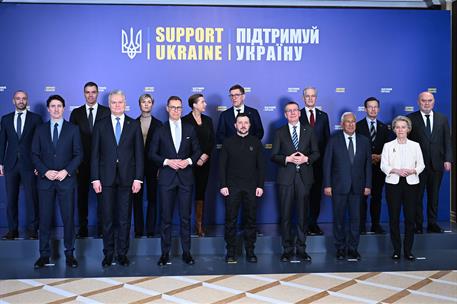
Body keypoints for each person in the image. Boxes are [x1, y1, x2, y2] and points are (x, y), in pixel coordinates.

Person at [91, 90, 144, 267]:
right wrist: (95, 178)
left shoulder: (133, 124)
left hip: (127, 180)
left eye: (120, 102)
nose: (117, 105)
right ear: (109, 104)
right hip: (105, 179)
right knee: (107, 218)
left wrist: (138, 179)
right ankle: (108, 253)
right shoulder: (100, 125)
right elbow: (95, 155)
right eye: (113, 102)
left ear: (125, 103)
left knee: (124, 219)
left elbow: (139, 154)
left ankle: (122, 254)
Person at [31, 95, 82, 268]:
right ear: (48, 109)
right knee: (44, 219)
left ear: (64, 108)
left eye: (59, 106)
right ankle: (44, 255)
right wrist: (45, 172)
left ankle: (69, 254)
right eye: (53, 106)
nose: (56, 109)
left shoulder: (73, 129)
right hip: (45, 181)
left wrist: (65, 171)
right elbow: (34, 154)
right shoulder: (40, 129)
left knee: (68, 219)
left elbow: (79, 154)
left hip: (65, 181)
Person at [150, 96, 201, 266]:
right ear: (167, 108)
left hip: (185, 178)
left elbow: (197, 151)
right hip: (166, 178)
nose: (176, 110)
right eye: (173, 107)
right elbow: (152, 153)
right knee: (165, 218)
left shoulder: (190, 128)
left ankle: (187, 253)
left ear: (182, 109)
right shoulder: (159, 129)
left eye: (179, 107)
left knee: (185, 217)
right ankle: (165, 253)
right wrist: (167, 161)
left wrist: (188, 161)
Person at [271, 102, 320, 262]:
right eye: (288, 111)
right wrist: (287, 159)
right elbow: (273, 155)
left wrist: (307, 159)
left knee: (302, 215)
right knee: (285, 215)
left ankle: (301, 249)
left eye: (295, 110)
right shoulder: (279, 132)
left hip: (304, 178)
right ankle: (286, 249)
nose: (292, 113)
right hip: (286, 178)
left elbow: (316, 153)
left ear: (300, 113)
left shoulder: (310, 130)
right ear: (285, 115)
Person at [323, 112, 371, 261]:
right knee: (339, 219)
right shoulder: (334, 140)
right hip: (338, 187)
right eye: (347, 122)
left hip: (358, 187)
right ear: (342, 124)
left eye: (353, 122)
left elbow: (368, 166)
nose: (350, 124)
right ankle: (340, 248)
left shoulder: (364, 141)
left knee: (356, 219)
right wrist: (327, 185)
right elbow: (327, 164)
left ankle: (353, 248)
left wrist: (368, 184)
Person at [219, 113, 265, 263]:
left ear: (250, 125)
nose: (243, 125)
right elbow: (222, 167)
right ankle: (230, 252)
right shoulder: (227, 142)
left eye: (246, 122)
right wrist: (223, 185)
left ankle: (250, 251)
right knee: (230, 220)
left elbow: (261, 167)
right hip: (232, 188)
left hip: (252, 188)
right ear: (235, 125)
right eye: (240, 122)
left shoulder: (256, 142)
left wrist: (260, 185)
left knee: (251, 221)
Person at [407, 91, 452, 234]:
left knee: (434, 196)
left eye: (429, 100)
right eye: (423, 100)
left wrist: (448, 159)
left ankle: (432, 223)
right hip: (417, 166)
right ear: (418, 102)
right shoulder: (411, 119)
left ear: (434, 102)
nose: (427, 103)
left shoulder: (442, 119)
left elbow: (447, 141)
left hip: (437, 163)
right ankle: (418, 225)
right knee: (417, 196)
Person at [69, 81, 110, 238]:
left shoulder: (107, 112)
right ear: (84, 93)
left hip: (103, 163)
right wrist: (74, 164)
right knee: (82, 197)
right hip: (82, 163)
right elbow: (71, 139)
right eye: (88, 92)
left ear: (98, 93)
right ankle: (83, 228)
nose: (91, 95)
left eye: (93, 92)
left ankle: (102, 228)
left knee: (104, 198)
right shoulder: (76, 113)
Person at [381, 116, 425, 260]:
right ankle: (396, 250)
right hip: (393, 184)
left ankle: (408, 251)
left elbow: (421, 165)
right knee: (394, 218)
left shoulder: (415, 145)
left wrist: (413, 171)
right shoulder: (388, 145)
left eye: (403, 127)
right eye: (398, 127)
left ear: (408, 129)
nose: (401, 130)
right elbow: (383, 165)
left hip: (411, 184)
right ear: (394, 129)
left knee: (410, 219)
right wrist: (396, 170)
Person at [0, 90, 42, 240]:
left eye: (24, 98)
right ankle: (12, 230)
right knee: (11, 199)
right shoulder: (5, 119)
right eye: (18, 98)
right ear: (13, 101)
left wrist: (39, 164)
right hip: (10, 164)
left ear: (27, 101)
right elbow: (2, 142)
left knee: (32, 198)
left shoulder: (36, 119)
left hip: (29, 164)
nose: (21, 101)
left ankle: (32, 230)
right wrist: (0, 163)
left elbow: (39, 143)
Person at [356, 97, 391, 234]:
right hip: (362, 169)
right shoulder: (357, 126)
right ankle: (361, 225)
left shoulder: (384, 127)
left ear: (379, 109)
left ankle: (375, 225)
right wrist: (367, 157)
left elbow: (388, 147)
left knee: (377, 197)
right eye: (370, 107)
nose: (373, 109)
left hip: (379, 168)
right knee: (362, 198)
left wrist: (380, 157)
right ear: (365, 109)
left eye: (375, 107)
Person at [182, 93, 215, 237]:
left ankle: (199, 225)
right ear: (194, 104)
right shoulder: (185, 120)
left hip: (205, 162)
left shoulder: (208, 120)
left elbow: (212, 140)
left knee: (201, 192)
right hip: (189, 163)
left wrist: (205, 155)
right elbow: (184, 143)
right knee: (186, 192)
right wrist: (195, 158)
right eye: (202, 102)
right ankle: (186, 225)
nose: (205, 104)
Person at [299, 87, 330, 236]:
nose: (310, 99)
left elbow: (327, 140)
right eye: (307, 96)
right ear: (303, 98)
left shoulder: (323, 116)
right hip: (302, 162)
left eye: (313, 96)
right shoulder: (297, 114)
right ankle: (303, 224)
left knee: (316, 195)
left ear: (316, 98)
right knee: (303, 194)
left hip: (318, 163)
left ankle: (313, 223)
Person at [134, 94, 162, 238]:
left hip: (153, 166)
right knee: (136, 199)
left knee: (153, 198)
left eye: (149, 102)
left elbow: (162, 149)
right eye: (143, 102)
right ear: (139, 105)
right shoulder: (132, 123)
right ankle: (138, 231)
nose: (146, 104)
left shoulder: (159, 124)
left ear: (152, 104)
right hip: (136, 167)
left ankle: (151, 230)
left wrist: (160, 168)